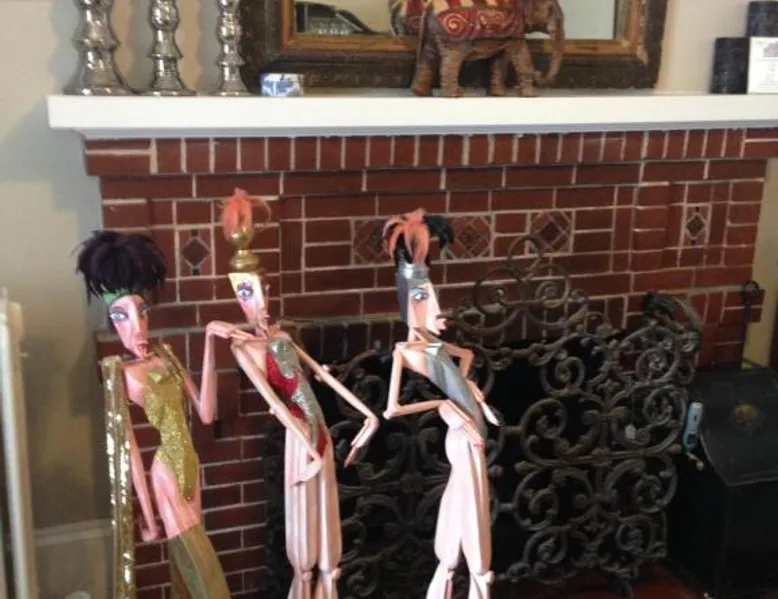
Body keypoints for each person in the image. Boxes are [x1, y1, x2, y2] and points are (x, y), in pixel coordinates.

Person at [202, 188, 379, 599]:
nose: (260, 301)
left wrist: (367, 416)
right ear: (239, 298)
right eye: (248, 293)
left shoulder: (281, 336)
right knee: (305, 536)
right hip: (302, 444)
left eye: (262, 288)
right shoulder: (246, 348)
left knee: (327, 533)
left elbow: (319, 375)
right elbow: (275, 403)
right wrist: (307, 445)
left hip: (321, 435)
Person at [76, 230, 229, 599]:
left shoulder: (166, 355)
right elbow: (129, 448)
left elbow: (206, 414)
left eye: (142, 313)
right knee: (207, 577)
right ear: (113, 322)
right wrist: (147, 515)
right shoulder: (119, 373)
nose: (137, 326)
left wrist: (210, 342)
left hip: (190, 464)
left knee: (185, 576)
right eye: (122, 316)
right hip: (166, 473)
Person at [382, 208, 500, 599]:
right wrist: (442, 407)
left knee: (466, 500)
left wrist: (464, 389)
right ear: (409, 305)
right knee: (470, 505)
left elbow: (466, 356)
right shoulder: (409, 351)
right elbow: (393, 408)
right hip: (461, 437)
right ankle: (468, 576)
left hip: (471, 431)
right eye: (423, 300)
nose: (436, 311)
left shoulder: (434, 346)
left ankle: (456, 575)